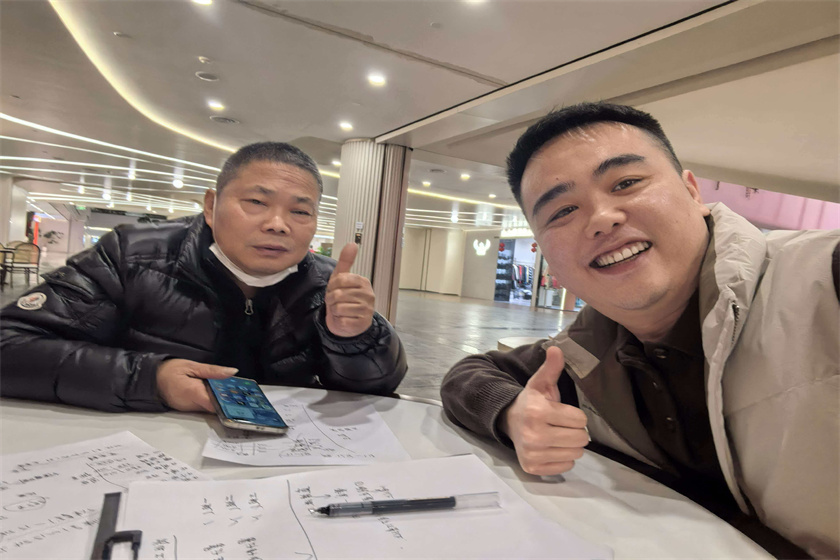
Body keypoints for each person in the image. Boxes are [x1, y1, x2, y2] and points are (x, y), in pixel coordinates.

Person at [441, 103, 839, 558]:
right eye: (562, 210)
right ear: (546, 255)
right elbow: (469, 374)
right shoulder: (588, 354)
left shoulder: (824, 280)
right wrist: (513, 413)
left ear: (692, 192)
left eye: (626, 183)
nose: (601, 218)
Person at [1, 142, 407, 413]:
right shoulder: (132, 256)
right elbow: (10, 346)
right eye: (256, 202)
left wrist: (354, 338)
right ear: (211, 206)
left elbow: (377, 390)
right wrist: (152, 379)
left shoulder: (324, 284)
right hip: (147, 442)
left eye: (300, 211)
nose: (278, 224)